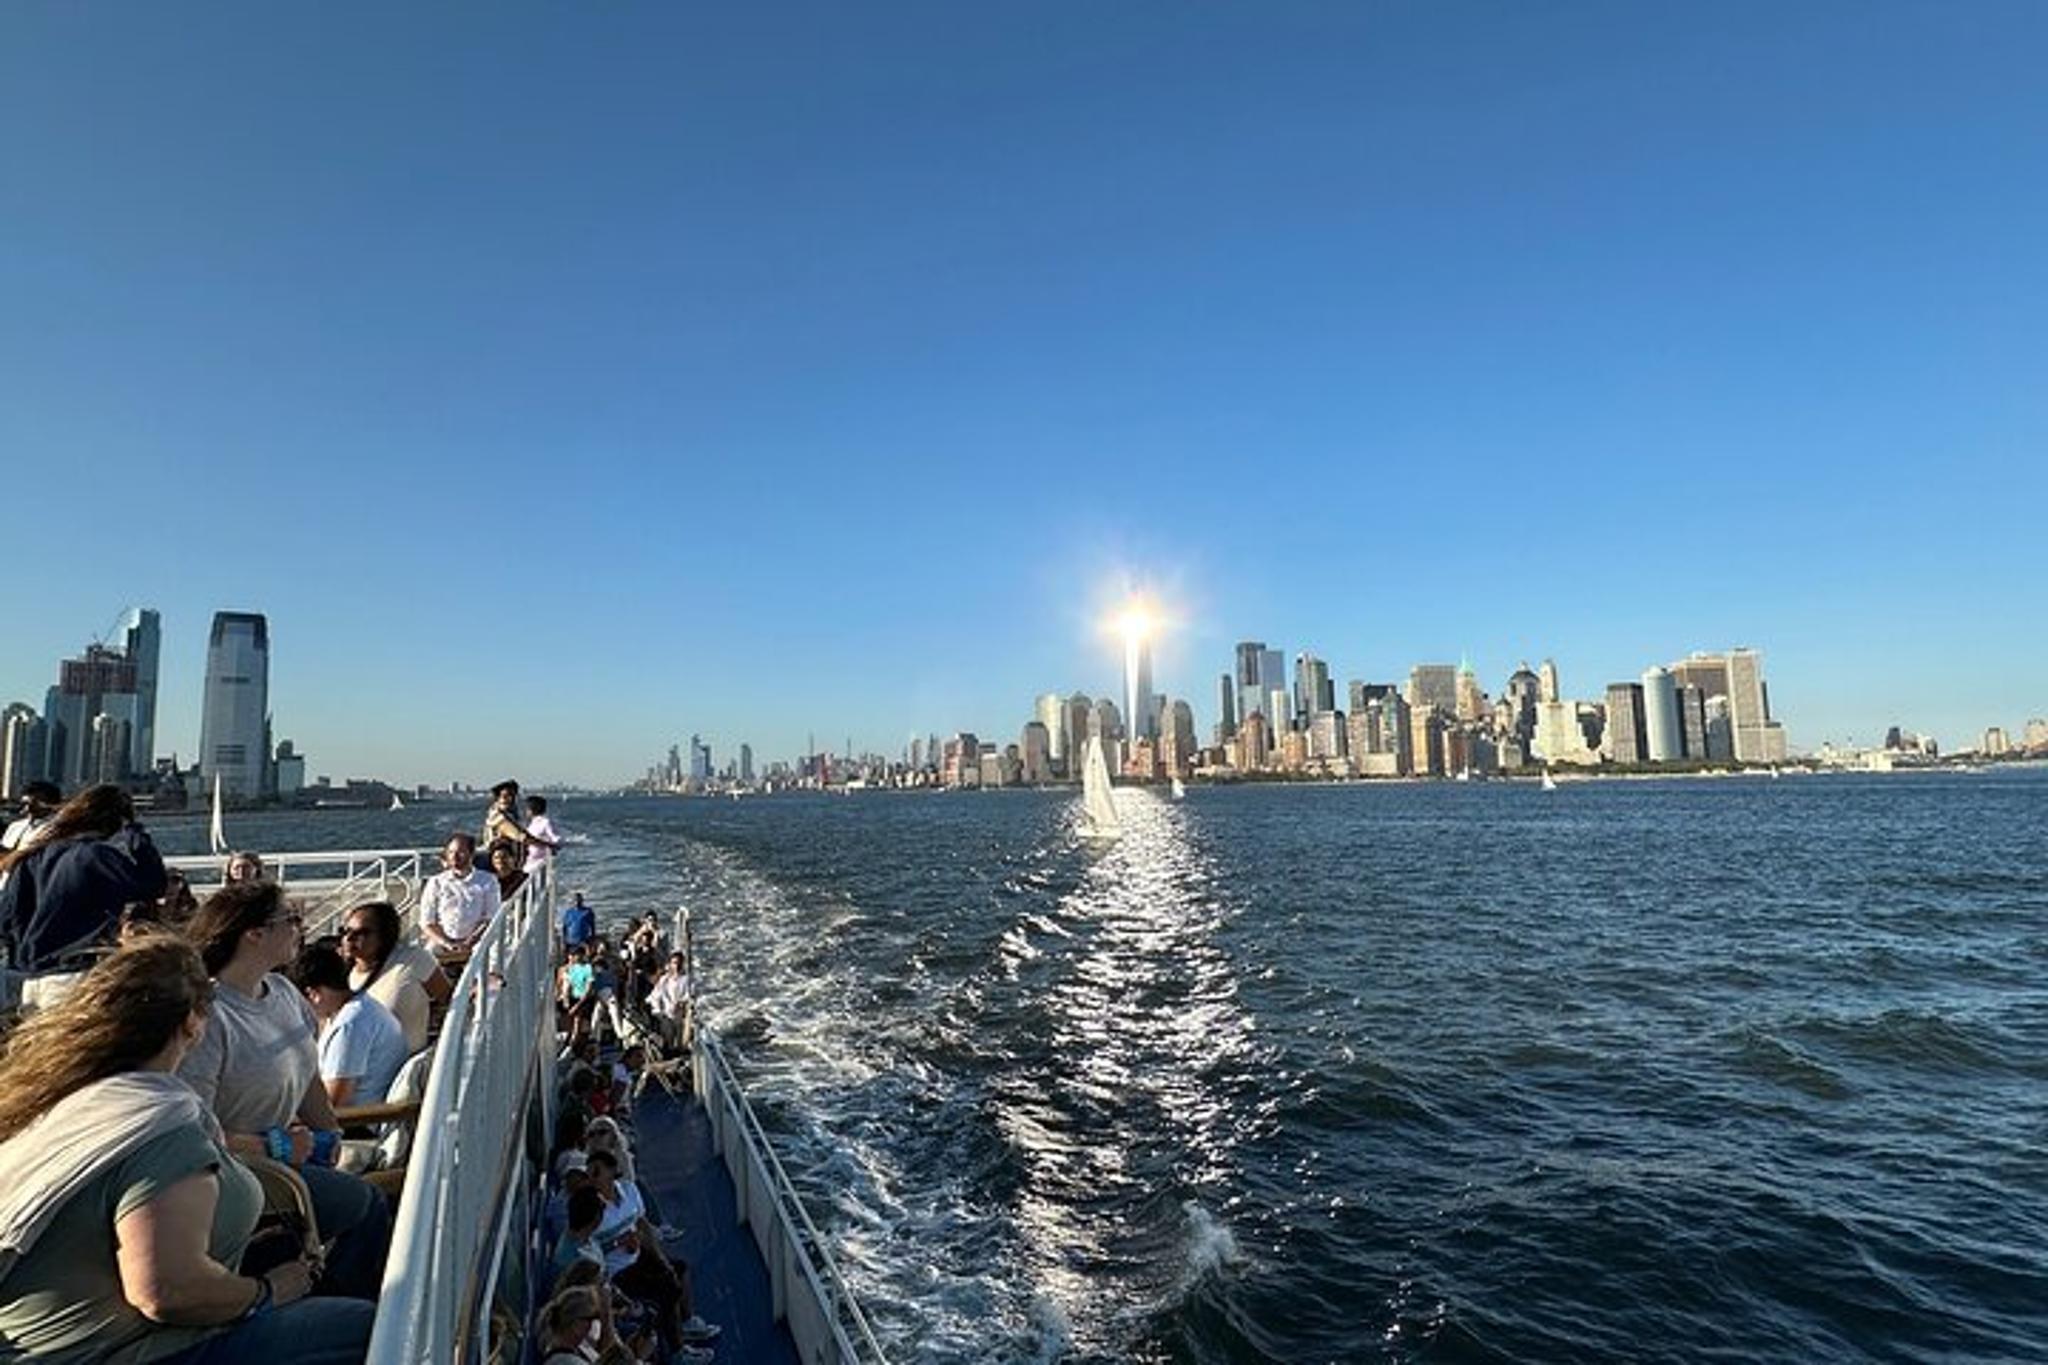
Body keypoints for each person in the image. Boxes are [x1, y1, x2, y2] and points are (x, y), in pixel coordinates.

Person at [0, 934, 373, 1365]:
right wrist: (269, 1291)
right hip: (117, 1352)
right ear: (194, 1024)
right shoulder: (160, 1126)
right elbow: (164, 1292)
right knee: (365, 1329)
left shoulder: (64, 1102)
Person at [177, 882, 391, 1300]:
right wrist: (272, 1146)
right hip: (234, 1175)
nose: (300, 926)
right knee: (364, 1206)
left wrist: (330, 1136)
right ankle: (341, 1312)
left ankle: (324, 1295)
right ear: (254, 934)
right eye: (289, 920)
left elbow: (308, 1075)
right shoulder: (211, 1019)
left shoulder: (285, 995)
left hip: (285, 1162)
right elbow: (192, 1130)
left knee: (358, 1202)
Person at [0, 783, 167, 973]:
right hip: (74, 969)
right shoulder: (97, 858)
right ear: (113, 822)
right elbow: (154, 884)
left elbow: (7, 917)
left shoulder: (30, 857)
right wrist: (134, 831)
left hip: (27, 974)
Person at [585, 1149, 718, 1356]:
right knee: (667, 1288)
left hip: (639, 1256)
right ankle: (678, 1350)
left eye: (596, 1172)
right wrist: (617, 1242)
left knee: (678, 1268)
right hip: (618, 1271)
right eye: (589, 1175)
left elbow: (641, 1223)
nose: (591, 1180)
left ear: (612, 1171)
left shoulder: (629, 1190)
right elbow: (590, 1248)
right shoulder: (592, 1207)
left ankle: (685, 1323)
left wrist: (656, 1254)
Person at [288, 942, 410, 1109]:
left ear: (313, 994)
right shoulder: (359, 1009)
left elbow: (334, 1103)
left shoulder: (350, 1024)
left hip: (358, 1125)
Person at [337, 900, 451, 1053]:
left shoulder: (413, 959)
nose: (349, 938)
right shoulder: (340, 975)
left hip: (408, 1068)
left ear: (384, 935)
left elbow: (449, 999)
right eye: (345, 931)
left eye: (361, 933)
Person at [418, 834, 500, 956]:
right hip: (443, 940)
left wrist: (469, 942)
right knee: (427, 957)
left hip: (476, 940)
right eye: (450, 852)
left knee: (486, 954)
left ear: (471, 854)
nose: (454, 857)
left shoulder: (487, 880)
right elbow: (427, 922)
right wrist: (447, 943)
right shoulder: (436, 882)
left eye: (460, 852)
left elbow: (490, 917)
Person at [535, 1283, 640, 1365]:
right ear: (576, 1323)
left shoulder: (572, 1348)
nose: (594, 1324)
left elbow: (607, 1350)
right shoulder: (566, 1361)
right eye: (591, 1318)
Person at [645, 952, 692, 1052]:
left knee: (680, 1039)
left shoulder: (686, 979)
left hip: (679, 1013)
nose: (677, 966)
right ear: (670, 964)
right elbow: (655, 994)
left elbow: (689, 995)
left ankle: (680, 1052)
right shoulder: (664, 979)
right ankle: (670, 1052)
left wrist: (680, 1002)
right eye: (674, 963)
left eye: (679, 963)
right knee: (668, 1036)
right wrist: (652, 1005)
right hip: (666, 1013)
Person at [0, 780, 61, 852]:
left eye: (34, 804)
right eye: (24, 804)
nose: (27, 809)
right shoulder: (15, 826)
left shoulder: (55, 830)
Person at [523, 795, 563, 875]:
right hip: (530, 861)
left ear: (531, 809)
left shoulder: (546, 822)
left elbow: (558, 842)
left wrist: (541, 843)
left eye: (527, 808)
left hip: (541, 863)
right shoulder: (532, 824)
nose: (525, 811)